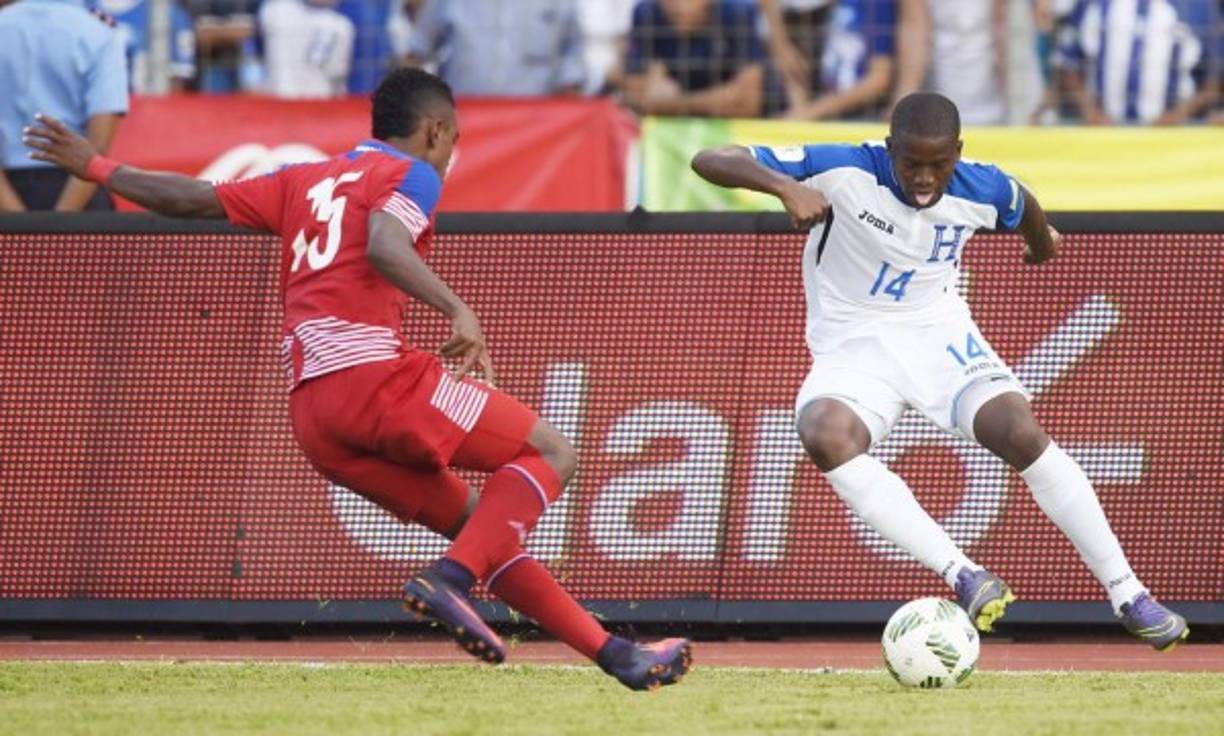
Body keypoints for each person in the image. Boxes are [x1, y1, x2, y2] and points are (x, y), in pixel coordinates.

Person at [23, 67, 692, 690]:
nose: (450, 154)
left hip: (316, 418)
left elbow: (192, 197)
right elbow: (383, 244)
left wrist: (98, 166)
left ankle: (616, 655)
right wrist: (459, 309)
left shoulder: (302, 179)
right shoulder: (412, 173)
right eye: (451, 140)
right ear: (434, 131)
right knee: (551, 451)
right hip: (374, 380)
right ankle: (450, 579)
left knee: (484, 528)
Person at [690, 92, 1189, 651]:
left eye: (939, 163)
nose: (925, 178)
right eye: (911, 164)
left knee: (1020, 432)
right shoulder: (843, 167)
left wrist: (1039, 244)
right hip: (854, 347)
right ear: (889, 150)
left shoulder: (985, 184)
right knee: (823, 434)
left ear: (958, 151)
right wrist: (786, 187)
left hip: (939, 336)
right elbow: (710, 157)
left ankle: (1130, 595)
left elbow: (1024, 205)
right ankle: (965, 575)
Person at [0, 0, 127, 211]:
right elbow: (98, 143)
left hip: (8, 189)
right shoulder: (100, 33)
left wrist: (17, 218)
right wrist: (59, 222)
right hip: (78, 188)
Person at [1055, 0, 1221, 125]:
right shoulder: (1092, 4)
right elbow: (1067, 63)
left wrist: (1177, 115)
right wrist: (1090, 112)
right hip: (1104, 136)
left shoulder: (1198, 5)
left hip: (1172, 140)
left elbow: (1213, 82)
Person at [404, 0, 586, 96]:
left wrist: (569, 85)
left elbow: (574, 51)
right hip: (466, 126)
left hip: (536, 131)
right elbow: (418, 49)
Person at [622, 0, 767, 117]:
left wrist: (668, 104)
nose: (678, 5)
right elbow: (637, 99)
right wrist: (723, 97)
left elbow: (749, 105)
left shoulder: (738, 12)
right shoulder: (646, 13)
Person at [259, 0, 356, 98]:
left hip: (319, 101)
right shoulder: (276, 9)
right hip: (276, 98)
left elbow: (338, 75)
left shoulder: (341, 26)